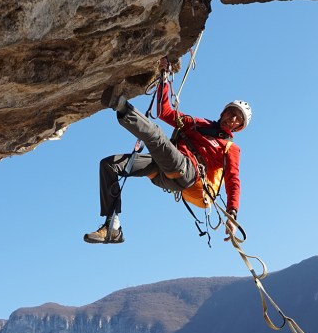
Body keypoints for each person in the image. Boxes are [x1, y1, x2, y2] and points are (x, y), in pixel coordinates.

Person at [84, 57, 251, 244]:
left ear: (238, 128)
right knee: (110, 165)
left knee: (156, 136)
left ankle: (120, 105)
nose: (233, 119)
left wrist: (232, 213)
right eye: (232, 113)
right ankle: (113, 227)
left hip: (189, 173)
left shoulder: (230, 148)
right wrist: (164, 77)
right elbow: (165, 112)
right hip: (165, 172)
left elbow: (233, 180)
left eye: (238, 120)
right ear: (224, 111)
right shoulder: (198, 124)